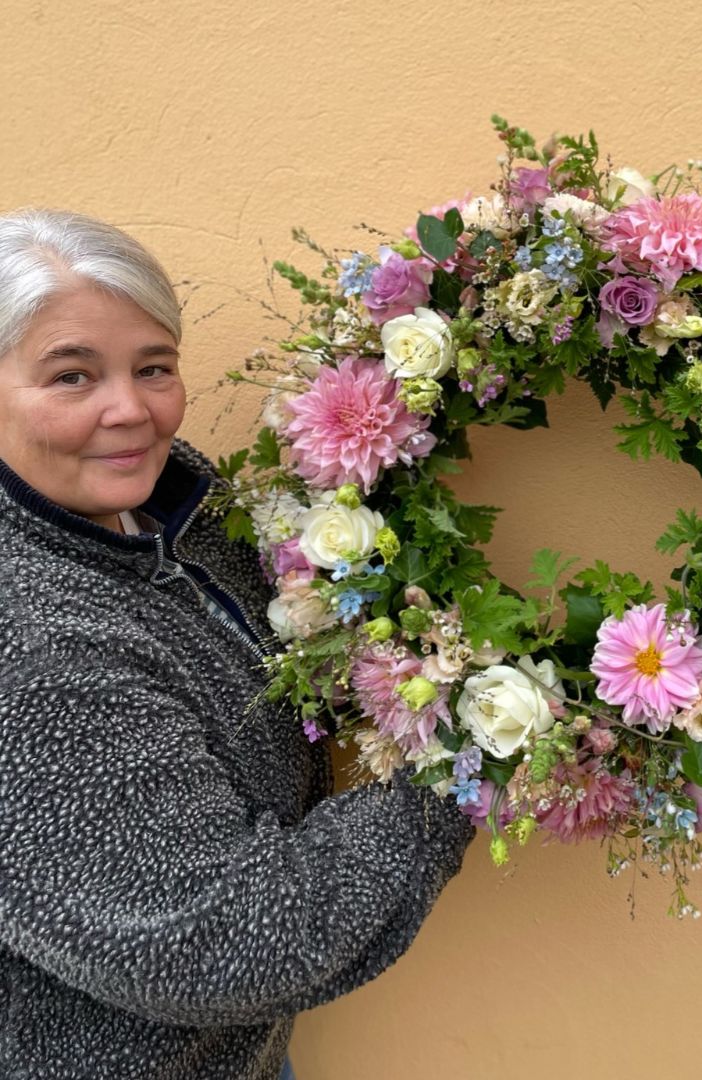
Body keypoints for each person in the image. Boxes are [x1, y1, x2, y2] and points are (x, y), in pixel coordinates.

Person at [0, 209, 475, 1080]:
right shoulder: (27, 646)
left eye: (154, 367)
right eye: (72, 377)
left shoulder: (174, 506)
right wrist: (471, 761)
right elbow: (221, 939)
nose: (131, 410)